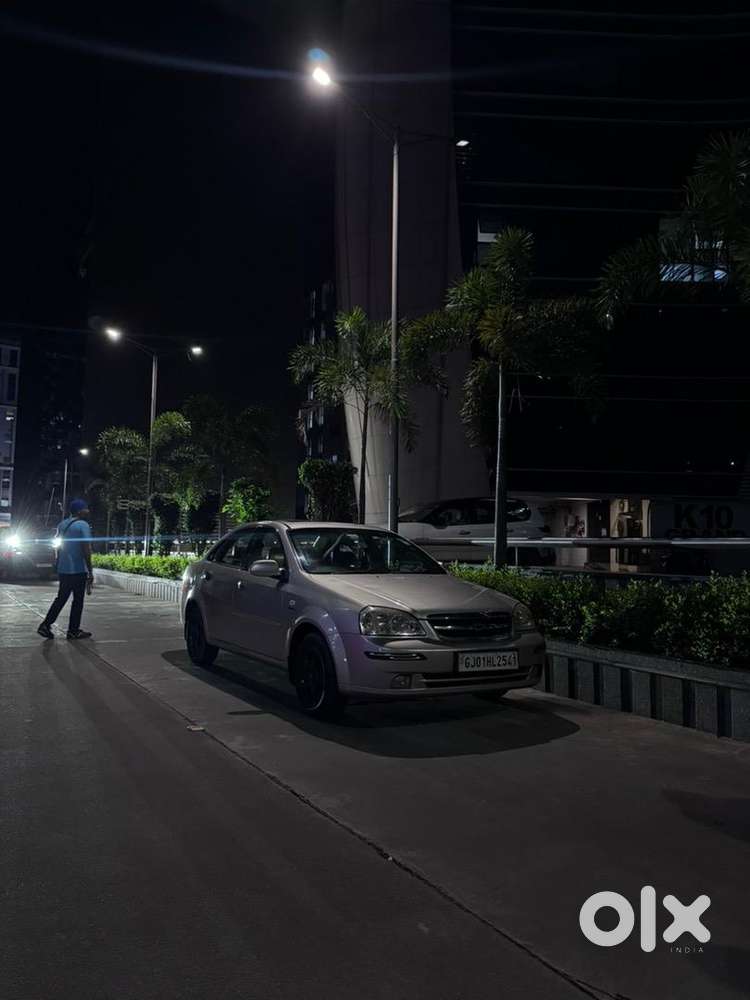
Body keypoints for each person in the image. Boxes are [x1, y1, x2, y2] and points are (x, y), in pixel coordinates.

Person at [37, 499, 94, 640]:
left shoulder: (62, 524)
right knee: (78, 600)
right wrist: (90, 570)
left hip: (64, 569)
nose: (88, 511)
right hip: (77, 569)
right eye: (86, 509)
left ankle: (45, 624)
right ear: (80, 511)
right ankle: (73, 631)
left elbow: (57, 545)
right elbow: (86, 548)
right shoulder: (83, 525)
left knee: (61, 598)